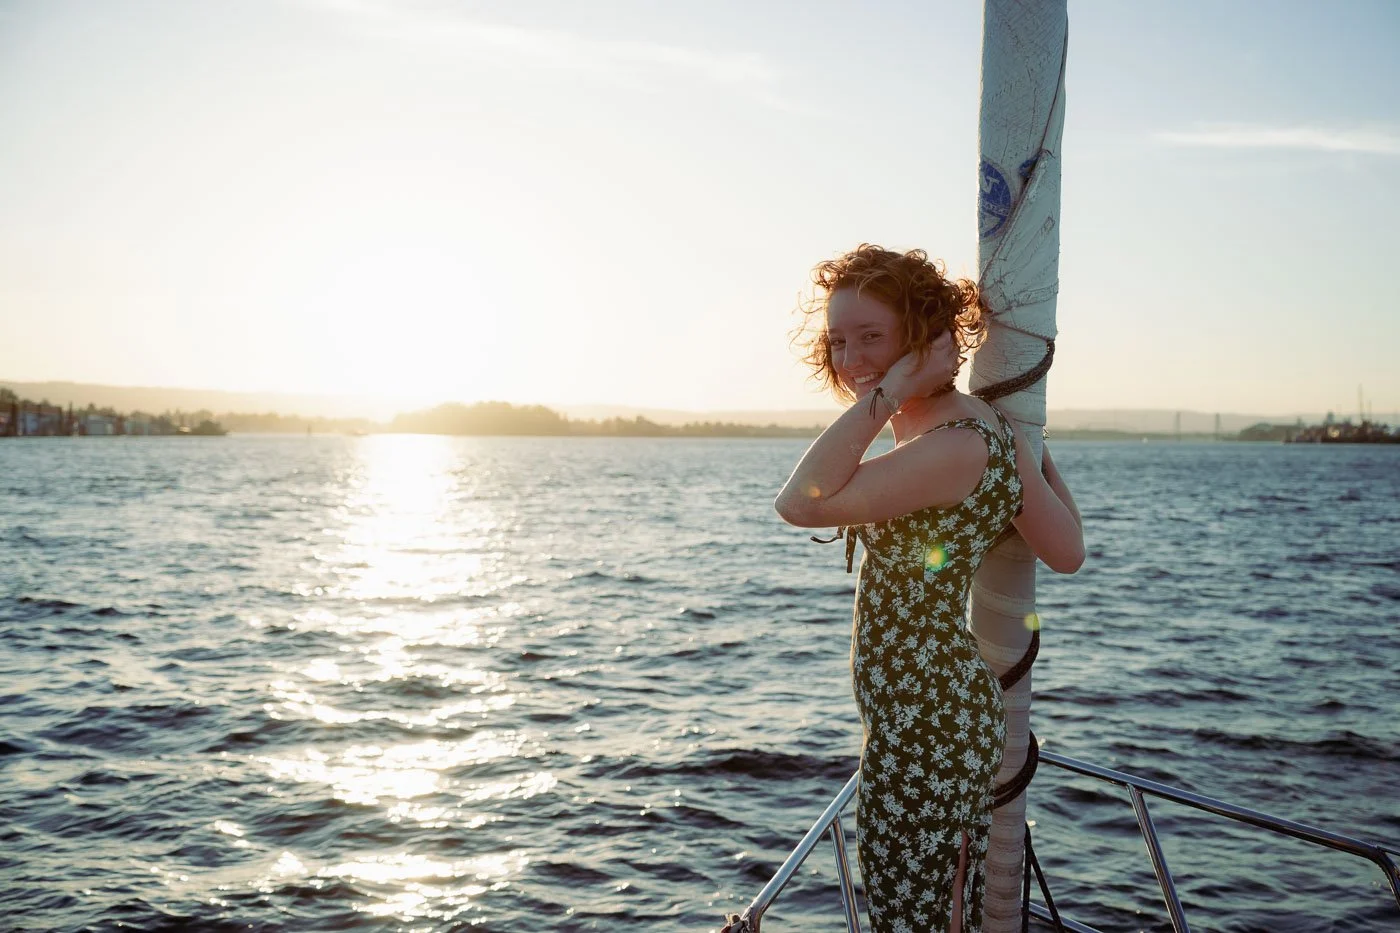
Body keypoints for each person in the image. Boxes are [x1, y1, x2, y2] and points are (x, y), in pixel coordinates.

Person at [775, 245, 1083, 933]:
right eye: (839, 340)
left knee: (913, 911)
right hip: (920, 717)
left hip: (930, 723)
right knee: (922, 907)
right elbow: (1067, 550)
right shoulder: (964, 430)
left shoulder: (955, 443)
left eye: (872, 337)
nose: (851, 358)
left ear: (922, 334)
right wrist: (1027, 444)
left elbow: (802, 501)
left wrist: (886, 398)